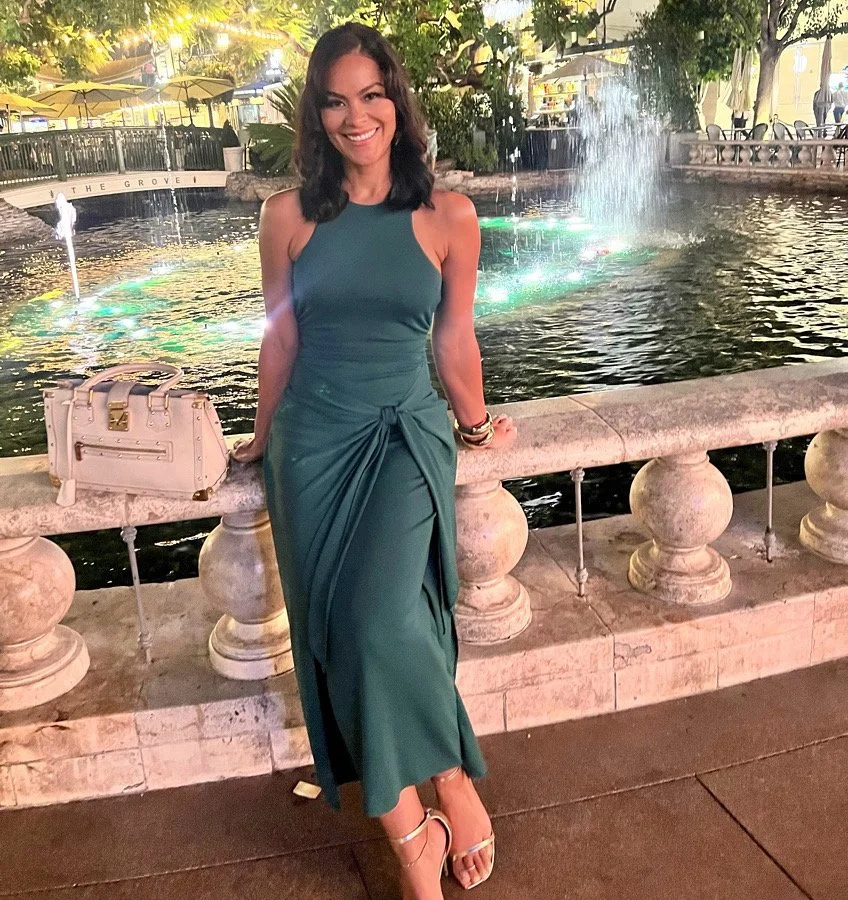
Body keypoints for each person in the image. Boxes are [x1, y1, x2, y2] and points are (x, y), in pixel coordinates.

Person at [231, 22, 516, 899]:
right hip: (311, 446)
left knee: (384, 621)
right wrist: (256, 434)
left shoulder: (448, 216)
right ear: (317, 118)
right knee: (338, 633)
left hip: (401, 439)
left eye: (372, 95)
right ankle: (409, 829)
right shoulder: (286, 218)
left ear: (397, 103)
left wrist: (474, 426)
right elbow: (279, 341)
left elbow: (454, 339)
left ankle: (452, 780)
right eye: (335, 101)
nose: (357, 117)